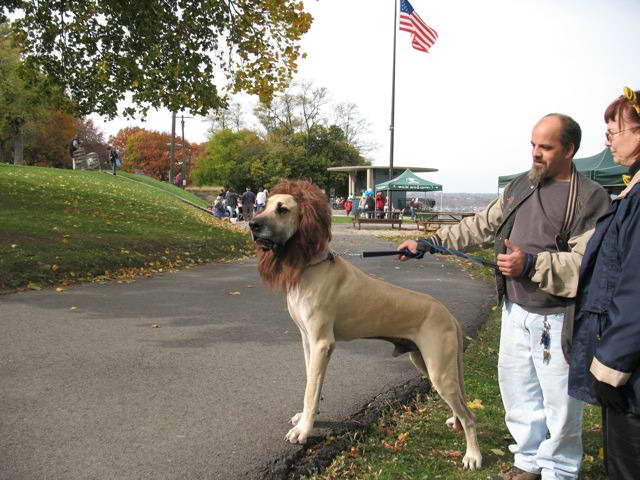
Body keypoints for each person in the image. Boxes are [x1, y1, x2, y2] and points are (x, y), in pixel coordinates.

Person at [398, 113, 610, 480]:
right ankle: (527, 461)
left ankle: (559, 469)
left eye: (546, 147)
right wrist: (429, 243)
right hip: (514, 309)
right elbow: (479, 225)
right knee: (518, 390)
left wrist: (530, 264)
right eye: (533, 145)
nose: (535, 154)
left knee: (560, 402)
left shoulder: (591, 198)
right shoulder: (519, 186)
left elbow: (586, 263)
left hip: (558, 316)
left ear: (570, 150)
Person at [568, 87, 640, 479]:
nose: (608, 141)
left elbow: (635, 289)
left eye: (614, 131)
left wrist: (611, 362)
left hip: (631, 376)